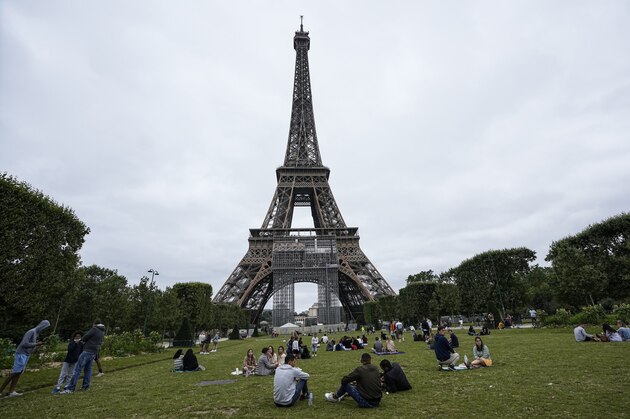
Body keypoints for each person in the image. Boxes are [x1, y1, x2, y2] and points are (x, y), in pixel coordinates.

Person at [1, 320, 50, 397]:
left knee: (18, 373)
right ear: (42, 326)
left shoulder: (36, 334)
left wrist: (37, 346)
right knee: (14, 373)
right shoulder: (31, 332)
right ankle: (1, 390)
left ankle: (11, 391)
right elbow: (24, 343)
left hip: (26, 355)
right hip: (21, 354)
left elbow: (31, 347)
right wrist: (37, 343)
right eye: (45, 327)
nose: (44, 330)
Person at [61, 319, 105, 393]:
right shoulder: (102, 331)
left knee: (77, 369)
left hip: (87, 351)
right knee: (88, 370)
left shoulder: (94, 329)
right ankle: (85, 386)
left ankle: (70, 388)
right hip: (94, 352)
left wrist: (80, 341)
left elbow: (86, 337)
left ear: (94, 324)